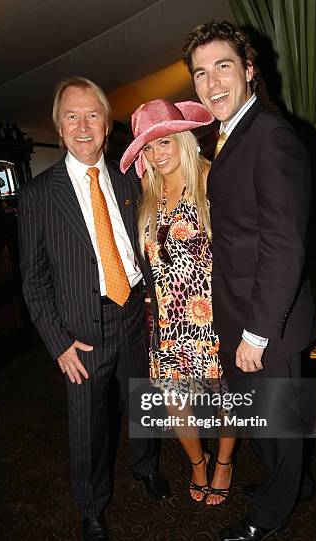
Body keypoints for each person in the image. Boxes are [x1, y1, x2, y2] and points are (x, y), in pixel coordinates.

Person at [18, 77, 170, 541]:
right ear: (59, 127)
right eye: (72, 116)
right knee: (87, 427)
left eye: (93, 115)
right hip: (81, 332)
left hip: (134, 315)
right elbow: (33, 279)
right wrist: (58, 343)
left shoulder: (130, 178)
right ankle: (91, 508)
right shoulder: (39, 194)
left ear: (108, 124)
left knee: (143, 401)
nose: (83, 126)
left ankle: (145, 468)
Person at [182, 21, 316, 541]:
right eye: (200, 72)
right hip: (243, 313)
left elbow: (284, 245)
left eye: (223, 67)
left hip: (268, 323)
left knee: (277, 427)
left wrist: (258, 334)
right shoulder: (238, 131)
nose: (212, 82)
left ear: (250, 69)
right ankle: (294, 484)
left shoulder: (271, 135)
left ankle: (271, 514)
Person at [120, 99, 236, 505]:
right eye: (148, 148)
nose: (157, 154)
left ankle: (223, 464)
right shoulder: (147, 194)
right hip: (166, 322)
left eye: (165, 141)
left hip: (212, 317)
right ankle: (197, 463)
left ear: (183, 138)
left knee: (225, 399)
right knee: (175, 403)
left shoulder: (209, 180)